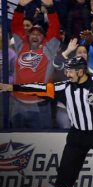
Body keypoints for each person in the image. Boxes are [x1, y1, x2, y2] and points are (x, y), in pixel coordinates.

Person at [0, 56, 93, 187]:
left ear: (81, 71)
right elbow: (40, 88)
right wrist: (13, 87)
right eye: (67, 71)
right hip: (77, 135)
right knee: (65, 175)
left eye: (70, 71)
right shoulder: (64, 87)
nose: (67, 74)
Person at [10, 0, 60, 129]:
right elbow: (16, 26)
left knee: (43, 142)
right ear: (28, 35)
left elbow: (54, 29)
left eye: (39, 34)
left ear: (44, 37)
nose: (35, 36)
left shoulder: (48, 49)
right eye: (32, 33)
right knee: (16, 141)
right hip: (17, 104)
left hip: (40, 105)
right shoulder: (21, 45)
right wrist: (20, 7)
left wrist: (50, 8)